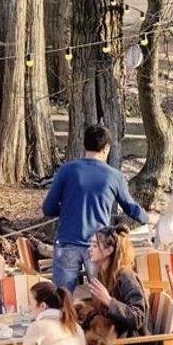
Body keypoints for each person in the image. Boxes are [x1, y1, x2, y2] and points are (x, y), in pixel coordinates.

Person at [42, 125, 150, 293]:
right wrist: (147, 218)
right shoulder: (114, 176)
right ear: (106, 148)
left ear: (84, 146)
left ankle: (63, 318)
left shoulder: (66, 170)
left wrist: (67, 210)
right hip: (98, 246)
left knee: (62, 299)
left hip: (66, 242)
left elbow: (48, 208)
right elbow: (130, 207)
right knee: (101, 297)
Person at [86, 224, 149, 345]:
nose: (89, 249)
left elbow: (139, 317)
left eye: (94, 245)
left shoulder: (126, 277)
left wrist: (109, 301)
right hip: (107, 341)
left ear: (108, 250)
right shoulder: (102, 273)